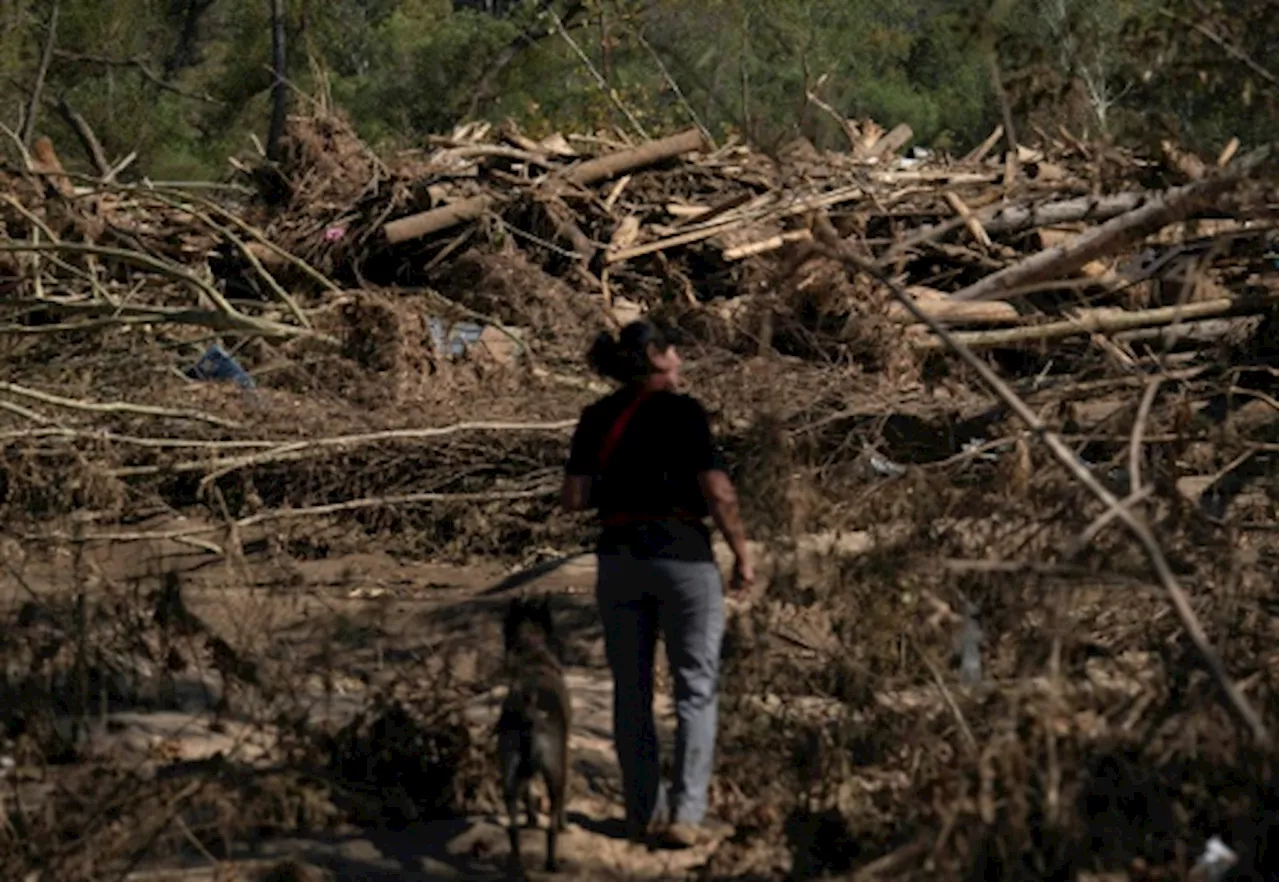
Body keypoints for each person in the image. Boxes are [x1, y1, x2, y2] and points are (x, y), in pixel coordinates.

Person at [561, 319, 755, 850]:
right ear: (655, 354)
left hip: (619, 557)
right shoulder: (684, 412)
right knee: (696, 688)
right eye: (676, 349)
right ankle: (687, 814)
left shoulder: (596, 417)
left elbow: (574, 498)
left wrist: (618, 485)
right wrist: (741, 552)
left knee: (632, 690)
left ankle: (640, 811)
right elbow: (718, 491)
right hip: (684, 558)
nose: (682, 360)